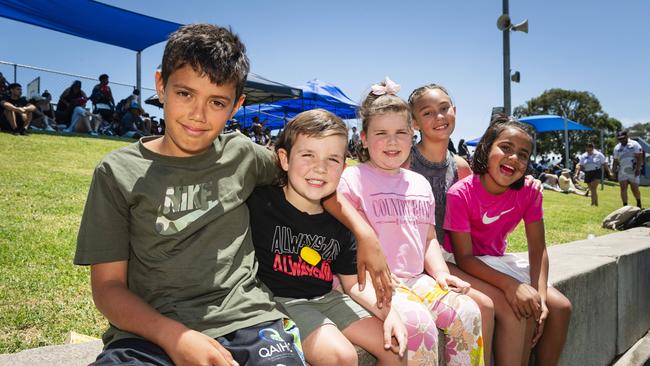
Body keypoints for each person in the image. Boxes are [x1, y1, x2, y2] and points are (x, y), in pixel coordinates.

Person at [74, 23, 390, 366]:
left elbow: (310, 178)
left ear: (236, 104)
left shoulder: (242, 154)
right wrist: (173, 336)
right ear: (161, 85)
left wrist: (364, 232)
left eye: (217, 101)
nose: (198, 114)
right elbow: (107, 288)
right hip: (147, 333)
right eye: (184, 94)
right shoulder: (117, 172)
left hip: (248, 321)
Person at [338, 78, 484, 366]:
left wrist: (441, 274)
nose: (392, 142)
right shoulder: (352, 180)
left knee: (467, 312)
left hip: (418, 279)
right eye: (381, 133)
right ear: (364, 138)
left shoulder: (418, 183)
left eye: (401, 132)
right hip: (376, 283)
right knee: (419, 326)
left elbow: (428, 238)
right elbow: (347, 247)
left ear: (412, 135)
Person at [248, 109, 406, 365]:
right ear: (284, 159)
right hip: (280, 301)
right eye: (308, 154)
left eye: (332, 159)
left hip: (327, 298)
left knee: (394, 345)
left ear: (343, 167)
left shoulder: (341, 220)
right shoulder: (261, 203)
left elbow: (354, 284)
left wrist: (390, 313)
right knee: (340, 356)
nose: (319, 168)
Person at [444, 115, 572, 366]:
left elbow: (538, 249)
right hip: (461, 263)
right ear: (486, 148)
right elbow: (465, 258)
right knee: (520, 308)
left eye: (523, 154)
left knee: (561, 307)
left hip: (496, 261)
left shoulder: (529, 192)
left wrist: (542, 298)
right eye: (506, 148)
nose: (514, 158)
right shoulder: (460, 193)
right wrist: (511, 286)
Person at [612, 130, 644, 208]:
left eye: (623, 138)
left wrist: (638, 169)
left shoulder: (635, 144)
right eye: (619, 139)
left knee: (634, 188)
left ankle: (638, 202)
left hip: (633, 169)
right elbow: (615, 160)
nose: (621, 140)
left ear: (627, 136)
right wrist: (613, 171)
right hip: (622, 170)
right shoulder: (617, 147)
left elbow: (639, 158)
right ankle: (625, 206)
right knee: (623, 188)